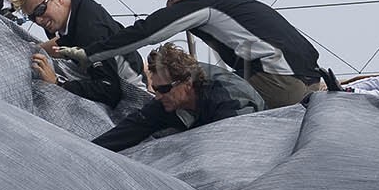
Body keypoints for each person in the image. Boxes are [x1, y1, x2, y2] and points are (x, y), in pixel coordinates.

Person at [56, 0, 325, 109]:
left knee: (192, 95)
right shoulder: (238, 5)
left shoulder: (205, 4)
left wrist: (90, 53)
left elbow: (149, 31)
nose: (169, 4)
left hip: (278, 82)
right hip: (310, 81)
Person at [92, 44, 264, 152]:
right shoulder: (168, 99)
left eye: (164, 89)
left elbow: (239, 146)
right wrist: (87, 151)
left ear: (187, 82)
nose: (158, 96)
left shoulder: (229, 100)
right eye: (156, 89)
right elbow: (132, 129)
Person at [10, 0, 143, 107]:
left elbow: (110, 90)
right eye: (32, 17)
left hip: (134, 96)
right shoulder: (70, 9)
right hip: (110, 79)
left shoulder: (90, 29)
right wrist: (32, 50)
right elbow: (63, 44)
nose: (38, 20)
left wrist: (58, 82)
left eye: (40, 10)